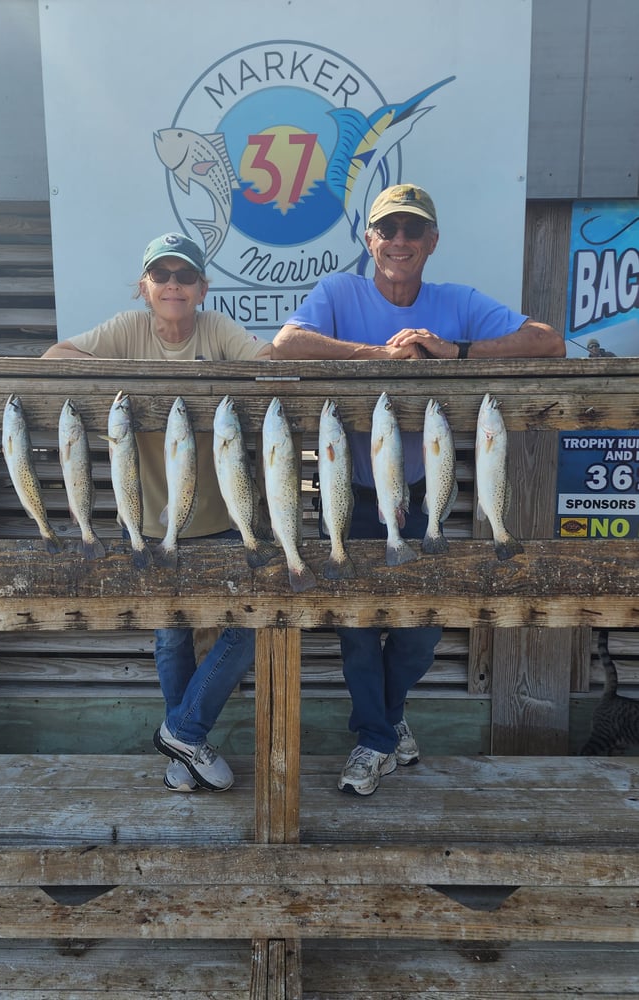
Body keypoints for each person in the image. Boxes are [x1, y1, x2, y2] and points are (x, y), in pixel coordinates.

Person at [272, 183, 565, 797]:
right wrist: (376, 354)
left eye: (413, 231)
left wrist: (453, 351)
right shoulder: (338, 292)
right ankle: (377, 740)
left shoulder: (454, 302)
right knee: (355, 626)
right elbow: (287, 343)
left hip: (424, 491)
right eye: (388, 230)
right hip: (348, 494)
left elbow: (546, 340)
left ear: (432, 242)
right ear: (369, 239)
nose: (399, 242)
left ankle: (384, 719)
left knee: (422, 627)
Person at [42, 232, 273, 792]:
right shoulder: (126, 331)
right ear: (144, 287)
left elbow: (268, 364)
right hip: (150, 520)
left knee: (248, 628)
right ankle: (184, 752)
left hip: (224, 517)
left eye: (185, 276)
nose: (174, 284)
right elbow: (55, 357)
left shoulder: (217, 329)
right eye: (162, 275)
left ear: (202, 288)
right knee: (171, 636)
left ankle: (183, 731)